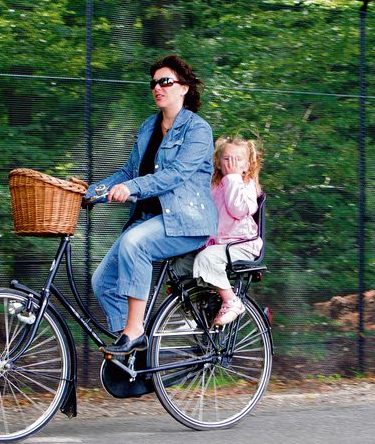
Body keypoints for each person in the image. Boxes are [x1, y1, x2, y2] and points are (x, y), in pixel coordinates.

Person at [84, 55, 217, 355]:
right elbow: (128, 173)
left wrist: (131, 188)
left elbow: (175, 174)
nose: (158, 87)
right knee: (103, 282)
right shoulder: (148, 127)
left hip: (186, 221)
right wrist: (92, 192)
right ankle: (135, 357)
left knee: (134, 243)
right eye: (154, 83)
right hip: (149, 220)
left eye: (165, 81)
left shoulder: (197, 130)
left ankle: (135, 332)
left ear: (183, 88)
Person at [174, 136, 263, 326]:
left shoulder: (247, 186)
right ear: (218, 163)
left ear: (247, 165)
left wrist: (232, 178)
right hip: (217, 244)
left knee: (206, 259)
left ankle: (232, 302)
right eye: (226, 159)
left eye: (237, 160)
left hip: (241, 244)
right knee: (179, 266)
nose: (231, 163)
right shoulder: (214, 185)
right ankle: (194, 311)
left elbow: (237, 209)